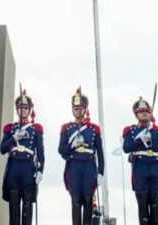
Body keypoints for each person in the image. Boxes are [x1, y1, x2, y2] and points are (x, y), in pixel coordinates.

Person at [122, 96, 158, 225]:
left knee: (155, 205)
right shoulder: (131, 130)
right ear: (136, 114)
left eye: (147, 111)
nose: (145, 113)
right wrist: (140, 140)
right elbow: (126, 148)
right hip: (140, 168)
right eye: (141, 111)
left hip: (156, 168)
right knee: (143, 206)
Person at [58, 87, 105, 225]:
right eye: (75, 108)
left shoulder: (94, 129)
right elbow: (61, 149)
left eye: (80, 108)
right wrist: (72, 145)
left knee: (88, 198)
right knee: (76, 200)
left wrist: (101, 172)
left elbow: (100, 153)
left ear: (86, 109)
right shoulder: (66, 128)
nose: (78, 111)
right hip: (74, 165)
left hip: (89, 165)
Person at [0, 90, 44, 225]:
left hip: (28, 168)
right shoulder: (10, 128)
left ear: (30, 110)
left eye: (26, 108)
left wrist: (41, 171)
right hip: (13, 168)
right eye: (20, 108)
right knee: (13, 207)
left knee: (27, 206)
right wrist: (14, 138)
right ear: (17, 110)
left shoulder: (35, 129)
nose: (23, 111)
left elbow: (40, 152)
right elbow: (2, 149)